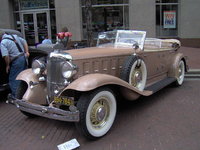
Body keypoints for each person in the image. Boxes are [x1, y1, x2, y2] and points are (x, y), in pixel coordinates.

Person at [0, 30, 29, 99]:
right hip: (24, 58)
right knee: (23, 77)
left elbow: (6, 56)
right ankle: (25, 93)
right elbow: (24, 41)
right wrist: (27, 52)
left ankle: (16, 96)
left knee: (14, 78)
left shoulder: (3, 42)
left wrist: (7, 65)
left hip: (16, 60)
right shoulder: (15, 36)